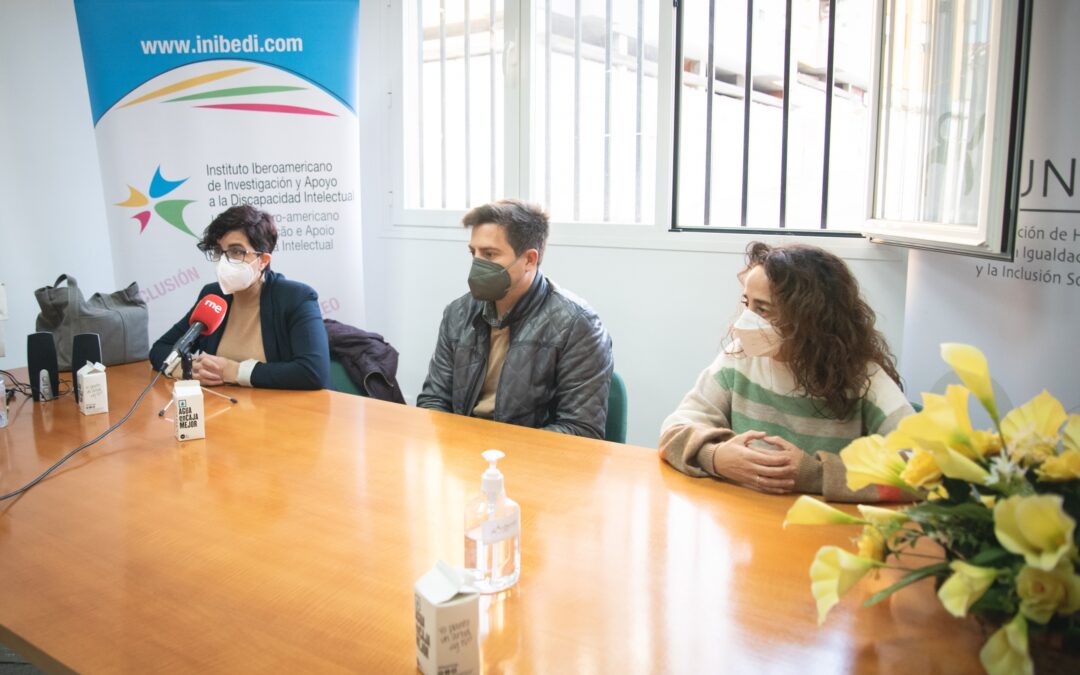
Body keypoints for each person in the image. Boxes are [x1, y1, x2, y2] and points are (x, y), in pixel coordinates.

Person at [659, 242, 914, 501]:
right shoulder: (739, 358)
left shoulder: (863, 378)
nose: (745, 321)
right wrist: (715, 456)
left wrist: (816, 474)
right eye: (747, 304)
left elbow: (927, 469)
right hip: (749, 520)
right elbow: (674, 430)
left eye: (763, 309)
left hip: (823, 531)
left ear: (810, 316)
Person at [417, 199, 613, 438]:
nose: (477, 264)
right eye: (473, 253)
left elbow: (581, 430)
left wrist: (499, 452)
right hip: (464, 453)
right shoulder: (457, 313)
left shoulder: (577, 325)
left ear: (529, 259)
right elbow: (434, 400)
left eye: (489, 254)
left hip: (533, 462)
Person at [149, 204, 330, 390]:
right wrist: (186, 369)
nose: (224, 261)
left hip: (282, 412)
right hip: (224, 408)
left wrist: (234, 371)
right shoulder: (213, 296)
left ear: (263, 261)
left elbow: (313, 372)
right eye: (219, 251)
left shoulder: (296, 297)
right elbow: (160, 348)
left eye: (236, 251)